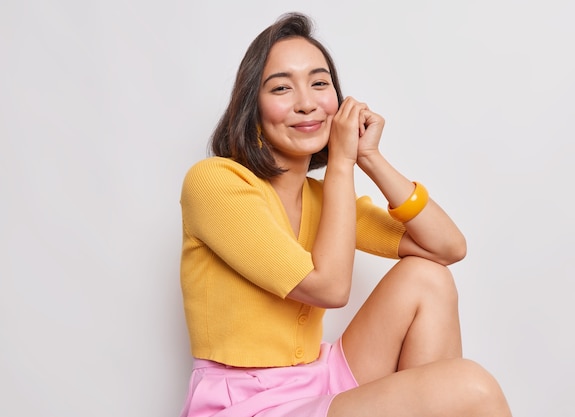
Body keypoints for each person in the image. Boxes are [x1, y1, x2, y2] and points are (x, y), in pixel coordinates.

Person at [177, 11, 512, 417]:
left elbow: (447, 248)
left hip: (316, 378)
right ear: (253, 109)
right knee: (470, 388)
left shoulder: (323, 199)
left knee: (428, 277)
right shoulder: (215, 182)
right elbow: (330, 288)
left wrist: (369, 157)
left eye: (320, 83)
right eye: (282, 88)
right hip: (247, 403)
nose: (306, 103)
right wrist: (341, 162)